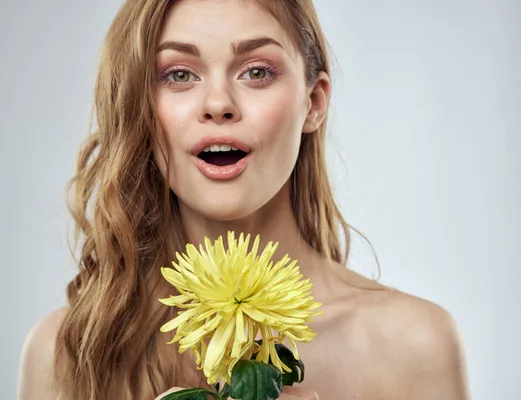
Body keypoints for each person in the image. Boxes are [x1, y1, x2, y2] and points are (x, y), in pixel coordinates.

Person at [17, 0, 470, 399]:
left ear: (313, 102)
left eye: (256, 71)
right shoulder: (64, 353)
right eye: (179, 74)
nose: (218, 103)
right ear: (140, 104)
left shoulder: (416, 346)